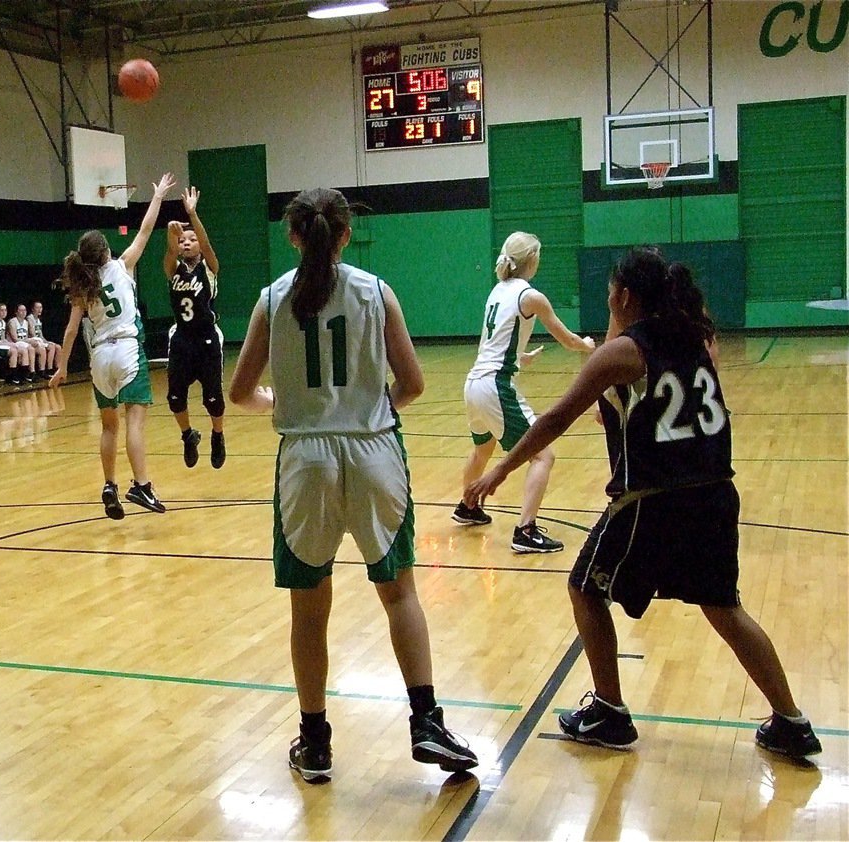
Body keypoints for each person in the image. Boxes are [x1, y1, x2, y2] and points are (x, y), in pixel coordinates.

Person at [464, 246, 823, 760]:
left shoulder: (623, 353)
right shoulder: (697, 338)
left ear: (625, 295)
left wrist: (502, 467)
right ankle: (792, 721)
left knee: (585, 588)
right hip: (715, 493)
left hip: (654, 499)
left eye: (612, 290)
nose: (607, 296)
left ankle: (609, 711)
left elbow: (557, 418)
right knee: (725, 607)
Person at [227, 187, 478, 784]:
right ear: (345, 235)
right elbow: (412, 383)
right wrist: (371, 409)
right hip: (374, 451)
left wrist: (281, 404)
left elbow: (239, 392)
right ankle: (427, 723)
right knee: (400, 595)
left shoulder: (270, 299)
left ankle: (315, 742)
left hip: (305, 459)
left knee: (309, 611)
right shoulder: (375, 291)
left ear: (293, 236)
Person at [453, 231, 594, 553]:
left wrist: (519, 357)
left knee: (482, 450)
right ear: (533, 260)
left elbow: (493, 343)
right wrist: (585, 345)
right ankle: (525, 531)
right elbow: (567, 339)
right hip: (494, 386)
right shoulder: (531, 296)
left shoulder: (497, 291)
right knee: (543, 454)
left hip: (474, 382)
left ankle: (468, 506)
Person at [48, 172, 175, 519]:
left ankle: (109, 485)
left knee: (108, 426)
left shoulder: (83, 287)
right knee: (135, 422)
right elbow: (146, 231)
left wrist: (61, 368)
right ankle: (142, 486)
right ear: (105, 251)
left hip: (99, 357)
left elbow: (72, 332)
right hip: (127, 351)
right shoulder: (122, 266)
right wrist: (159, 197)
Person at [163, 186, 227, 469]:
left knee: (212, 399)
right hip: (182, 339)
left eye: (191, 240)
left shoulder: (209, 267)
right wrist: (171, 233)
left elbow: (207, 243)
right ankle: (188, 435)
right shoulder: (173, 269)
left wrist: (192, 214)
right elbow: (169, 252)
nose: (187, 243)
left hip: (207, 339)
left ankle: (217, 435)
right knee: (175, 399)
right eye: (183, 240)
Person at [0, 302, 30, 384]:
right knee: (13, 351)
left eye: (5, 310)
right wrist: (8, 344)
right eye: (1, 310)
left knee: (22, 350)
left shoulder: (3, 322)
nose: (4, 312)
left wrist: (11, 344)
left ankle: (23, 375)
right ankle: (12, 377)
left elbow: (3, 339)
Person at [26, 301, 61, 379]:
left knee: (58, 347)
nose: (39, 309)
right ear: (32, 309)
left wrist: (46, 341)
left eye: (41, 307)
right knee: (51, 347)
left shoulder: (38, 320)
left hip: (40, 340)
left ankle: (58, 368)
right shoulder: (30, 318)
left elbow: (41, 335)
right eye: (37, 307)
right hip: (33, 341)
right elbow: (32, 334)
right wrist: (43, 342)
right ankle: (47, 370)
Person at [6, 304, 43, 378]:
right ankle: (24, 374)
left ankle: (32, 372)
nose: (23, 312)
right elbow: (15, 339)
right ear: (16, 312)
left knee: (35, 347)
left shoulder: (26, 322)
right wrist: (28, 341)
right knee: (29, 348)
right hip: (13, 343)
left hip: (21, 342)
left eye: (25, 310)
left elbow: (25, 337)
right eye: (21, 310)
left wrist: (29, 341)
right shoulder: (12, 322)